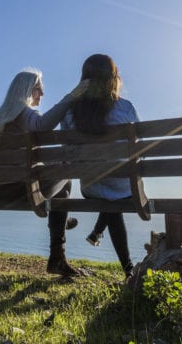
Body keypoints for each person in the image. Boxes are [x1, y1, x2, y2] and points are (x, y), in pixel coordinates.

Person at [0, 69, 88, 277]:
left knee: (61, 181)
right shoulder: (23, 113)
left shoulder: (2, 119)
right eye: (38, 90)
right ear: (26, 90)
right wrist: (71, 98)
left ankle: (61, 220)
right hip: (20, 188)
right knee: (67, 175)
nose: (41, 94)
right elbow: (43, 125)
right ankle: (58, 250)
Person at [61, 54, 139, 278]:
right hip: (123, 185)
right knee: (115, 195)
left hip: (90, 186)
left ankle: (120, 259)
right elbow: (137, 149)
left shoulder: (69, 111)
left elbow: (66, 148)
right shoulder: (125, 108)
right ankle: (127, 269)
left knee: (109, 199)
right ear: (113, 78)